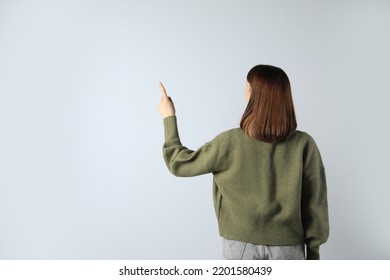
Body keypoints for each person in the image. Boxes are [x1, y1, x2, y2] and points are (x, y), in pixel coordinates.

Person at [157, 65, 329, 260]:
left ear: (253, 96)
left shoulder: (229, 142)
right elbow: (316, 203)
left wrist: (168, 117)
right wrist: (313, 254)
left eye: (247, 88)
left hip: (240, 247)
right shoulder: (304, 144)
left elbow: (179, 163)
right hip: (289, 248)